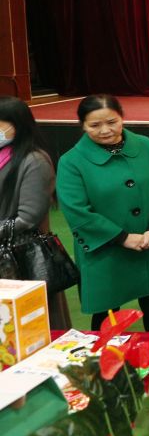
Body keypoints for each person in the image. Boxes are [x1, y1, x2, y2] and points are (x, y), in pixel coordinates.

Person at [56, 95, 149, 332]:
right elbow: (77, 210)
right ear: (82, 125)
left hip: (147, 241)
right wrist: (122, 237)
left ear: (122, 118)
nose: (105, 130)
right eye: (94, 125)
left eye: (112, 122)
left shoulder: (146, 146)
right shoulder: (71, 161)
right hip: (104, 248)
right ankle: (102, 354)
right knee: (105, 314)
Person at [0, 97, 71, 329]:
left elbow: (28, 218)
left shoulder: (34, 160)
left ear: (18, 124)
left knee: (31, 324)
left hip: (21, 257)